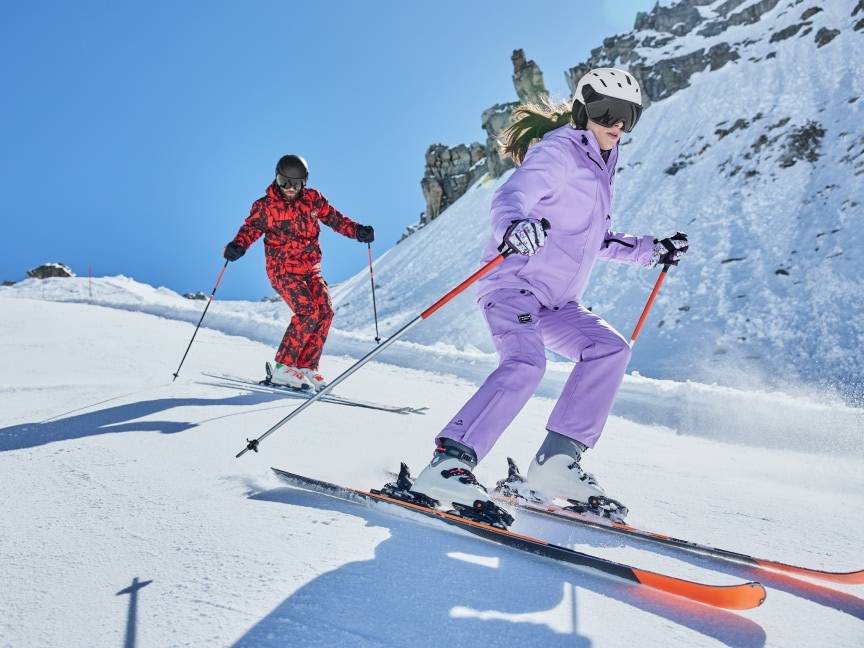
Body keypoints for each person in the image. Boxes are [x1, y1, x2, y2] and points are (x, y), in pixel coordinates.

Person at [411, 68, 689, 516]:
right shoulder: (559, 150)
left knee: (609, 349)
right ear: (583, 110)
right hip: (513, 286)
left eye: (628, 114)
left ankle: (556, 463)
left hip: (557, 302)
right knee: (525, 363)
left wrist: (652, 250)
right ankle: (449, 463)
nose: (617, 123)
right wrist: (514, 228)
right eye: (607, 111)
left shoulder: (603, 165)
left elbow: (596, 238)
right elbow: (509, 197)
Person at [223, 154, 375, 391]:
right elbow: (250, 229)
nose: (289, 188)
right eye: (283, 181)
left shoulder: (313, 199)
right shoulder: (265, 206)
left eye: (295, 183)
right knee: (307, 312)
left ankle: (305, 366)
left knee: (325, 312)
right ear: (276, 178)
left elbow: (335, 219)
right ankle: (283, 368)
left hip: (310, 269)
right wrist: (237, 245)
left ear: (305, 181)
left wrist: (357, 231)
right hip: (282, 270)